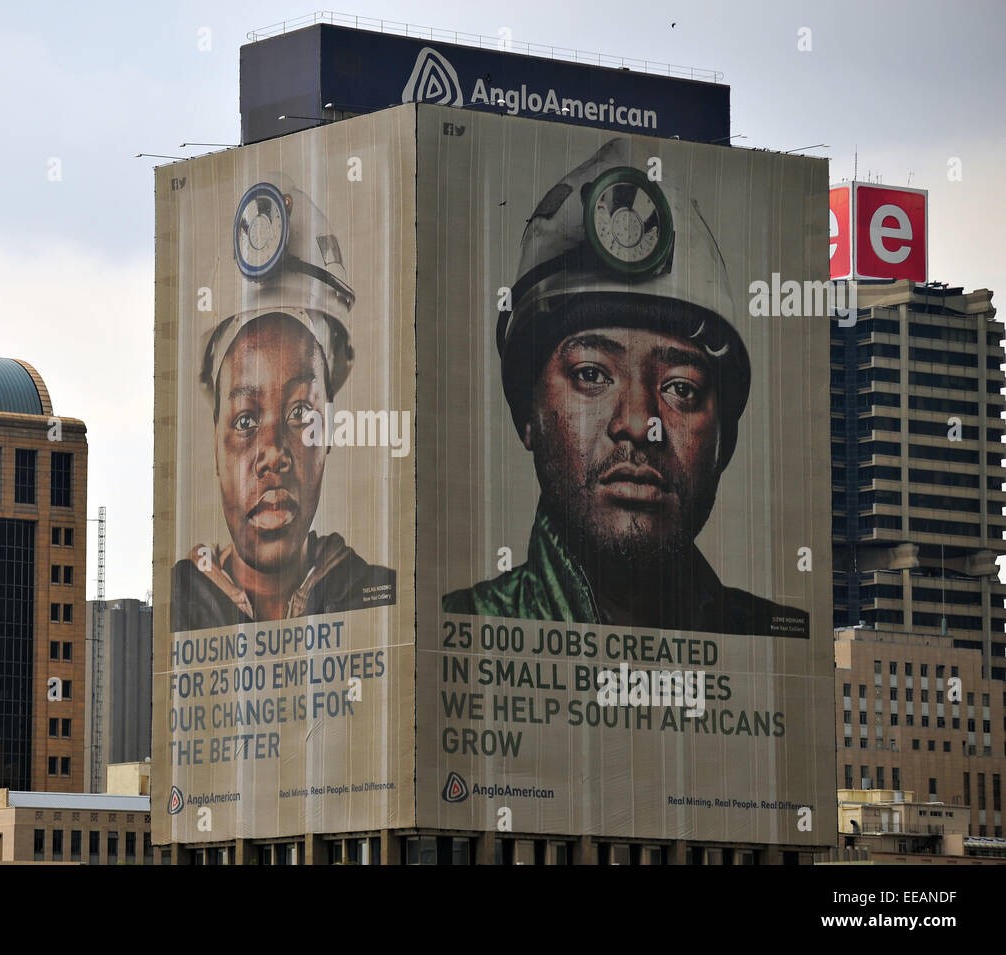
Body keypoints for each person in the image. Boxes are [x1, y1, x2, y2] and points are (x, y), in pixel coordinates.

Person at [443, 138, 808, 638]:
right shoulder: (453, 632)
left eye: (680, 388)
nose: (638, 423)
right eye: (592, 374)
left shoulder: (779, 646)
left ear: (725, 439)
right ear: (527, 413)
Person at [171, 175, 395, 631]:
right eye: (246, 419)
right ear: (214, 444)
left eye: (299, 413)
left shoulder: (379, 600)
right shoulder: (177, 608)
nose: (273, 452)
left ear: (328, 433)